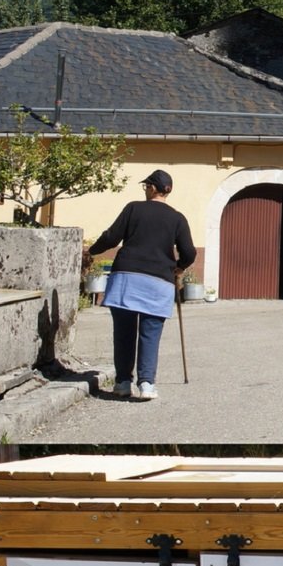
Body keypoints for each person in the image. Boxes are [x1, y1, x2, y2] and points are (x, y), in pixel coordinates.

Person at [82, 171, 196, 400]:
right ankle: (146, 384)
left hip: (127, 277)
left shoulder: (133, 208)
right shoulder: (177, 218)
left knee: (123, 332)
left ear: (154, 188)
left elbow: (112, 237)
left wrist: (91, 252)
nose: (145, 190)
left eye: (146, 186)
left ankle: (123, 382)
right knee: (150, 333)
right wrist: (179, 267)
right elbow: (190, 252)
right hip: (158, 280)